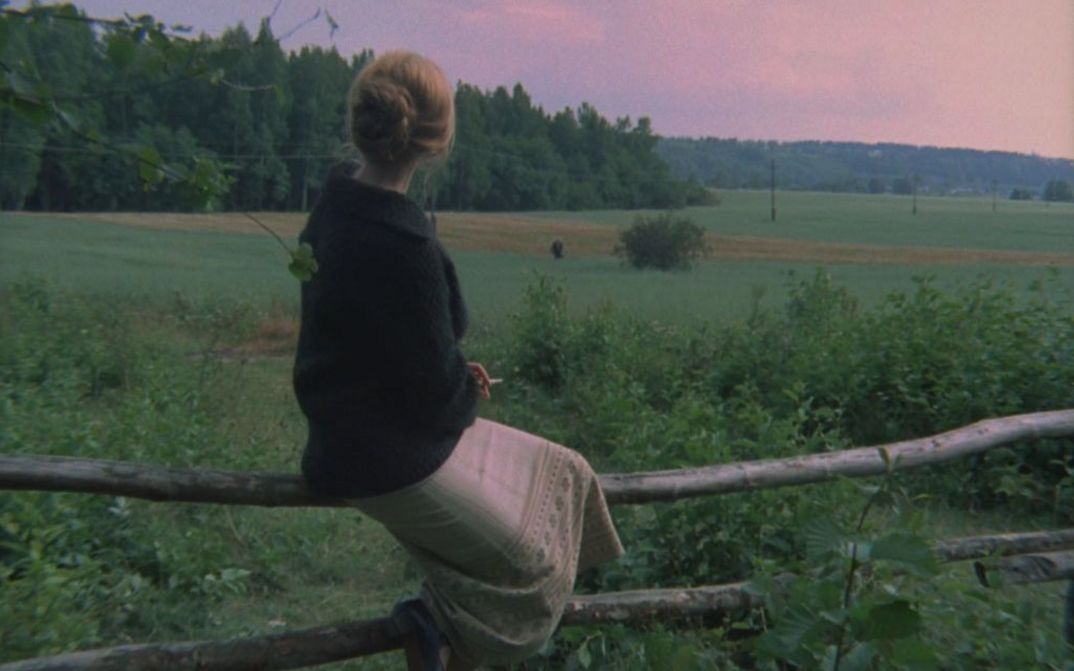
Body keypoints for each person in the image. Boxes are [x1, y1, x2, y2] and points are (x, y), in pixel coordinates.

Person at [292, 51, 623, 671]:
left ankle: (444, 631)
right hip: (388, 456)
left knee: (570, 472)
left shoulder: (332, 211)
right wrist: (461, 386)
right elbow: (436, 400)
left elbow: (366, 343)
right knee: (532, 564)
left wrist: (445, 369)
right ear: (438, 141)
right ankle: (438, 624)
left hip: (352, 435)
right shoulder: (406, 245)